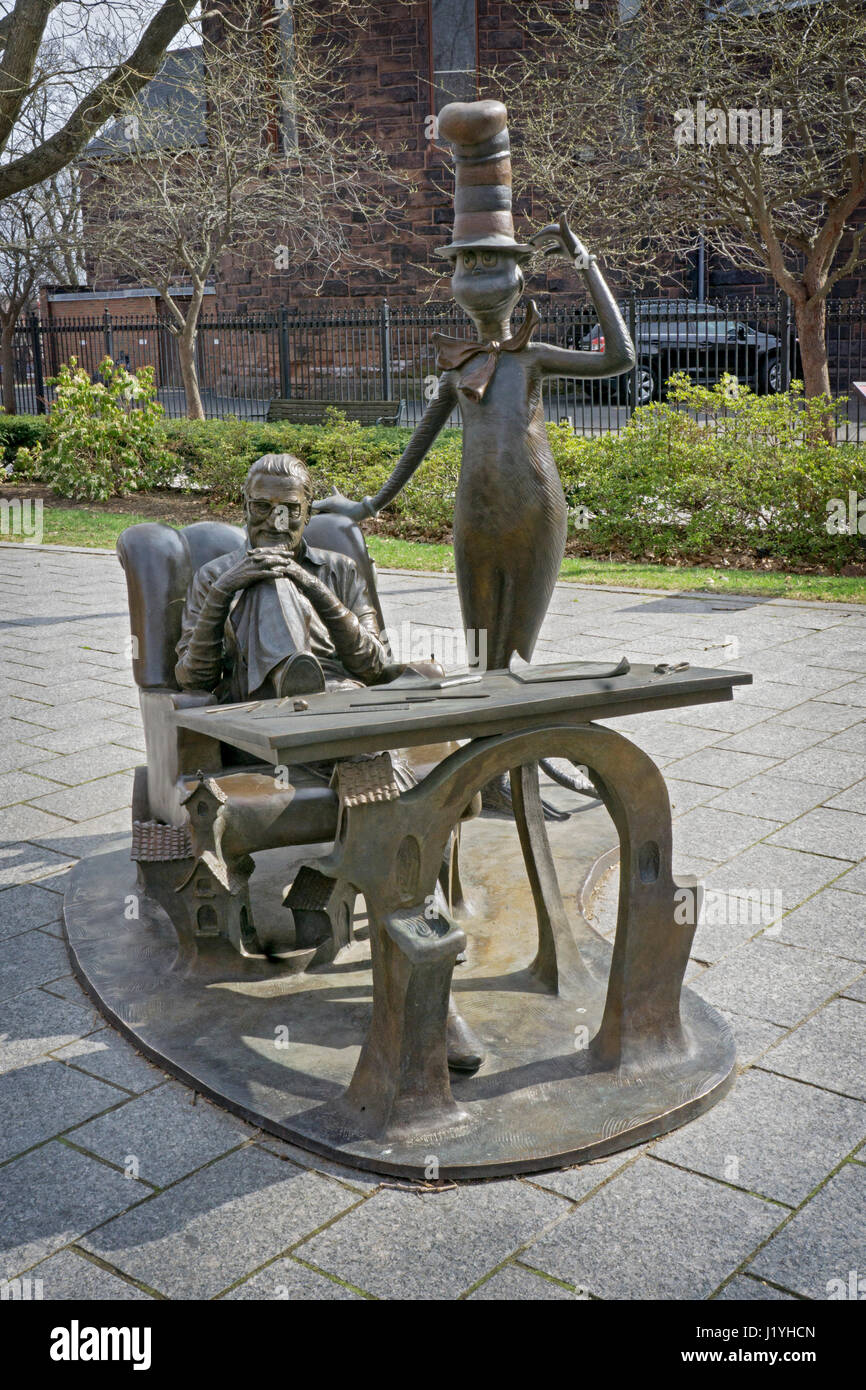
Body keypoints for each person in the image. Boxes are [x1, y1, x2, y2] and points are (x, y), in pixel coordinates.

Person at [175, 452, 389, 702]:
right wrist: (223, 591)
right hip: (254, 702)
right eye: (262, 507)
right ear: (246, 509)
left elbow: (373, 666)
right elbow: (192, 678)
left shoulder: (341, 570)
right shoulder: (214, 577)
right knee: (268, 575)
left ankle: (301, 685)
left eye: (290, 509)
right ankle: (284, 680)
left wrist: (311, 586)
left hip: (336, 694)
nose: (276, 523)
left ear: (308, 514)